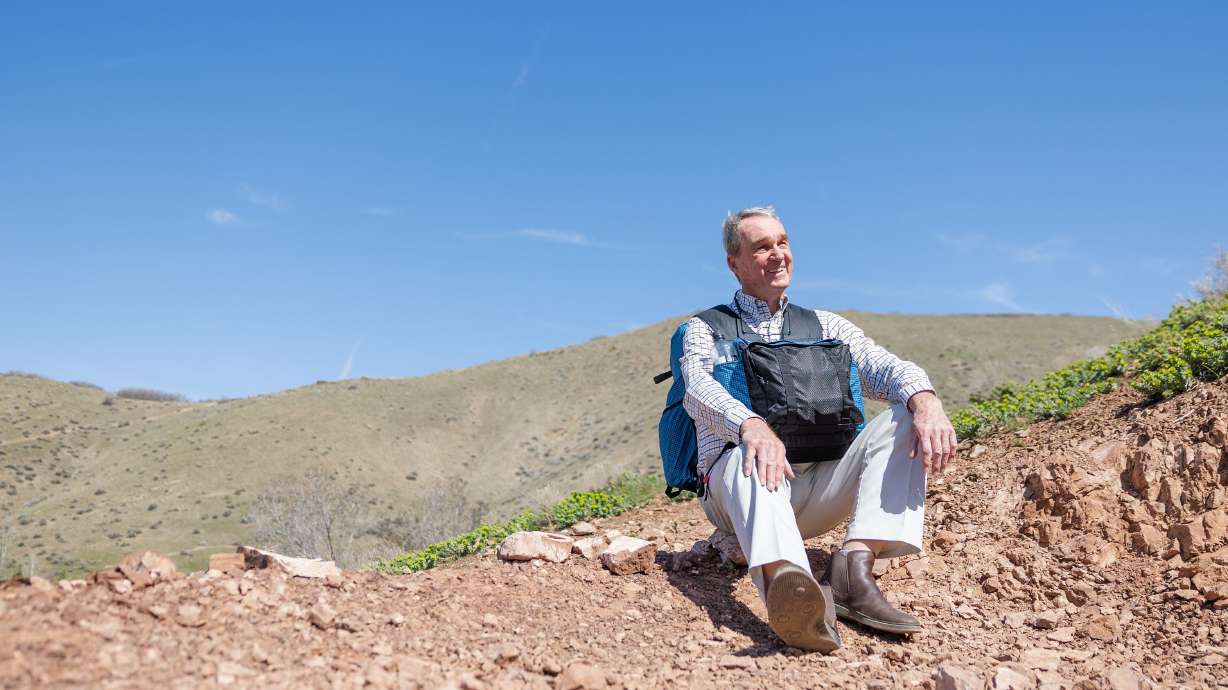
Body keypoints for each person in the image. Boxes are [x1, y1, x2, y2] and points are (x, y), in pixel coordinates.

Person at [679, 206, 957, 652]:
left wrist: (926, 401)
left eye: (782, 243)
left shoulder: (826, 325)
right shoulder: (705, 329)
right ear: (735, 263)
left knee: (905, 414)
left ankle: (853, 572)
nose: (777, 254)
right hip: (740, 490)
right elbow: (697, 389)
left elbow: (884, 367)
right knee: (749, 453)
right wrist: (750, 426)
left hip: (818, 488)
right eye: (762, 247)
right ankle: (792, 593)